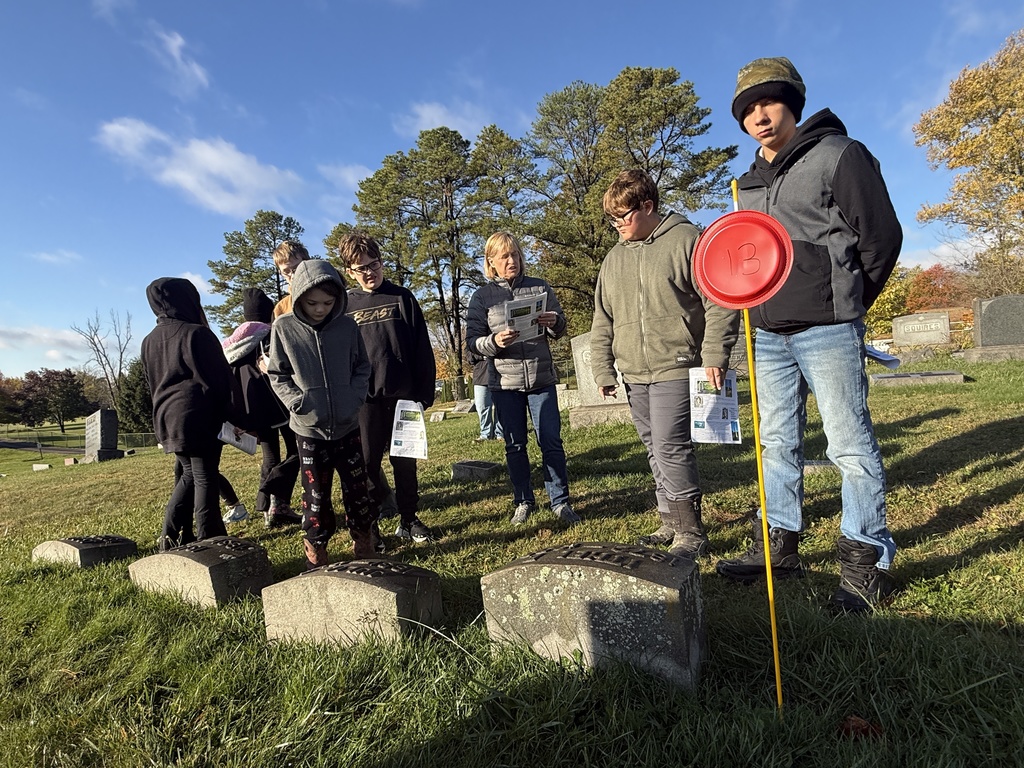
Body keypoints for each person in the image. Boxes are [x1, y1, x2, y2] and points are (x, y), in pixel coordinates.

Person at [715, 57, 902, 611]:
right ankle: (779, 547)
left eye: (768, 103)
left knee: (849, 446)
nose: (759, 117)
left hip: (828, 327)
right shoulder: (744, 184)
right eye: (748, 110)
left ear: (792, 102)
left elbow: (882, 237)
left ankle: (867, 562)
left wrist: (846, 298)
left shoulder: (838, 155)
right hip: (768, 334)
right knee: (776, 445)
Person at [591, 169, 740, 558]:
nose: (617, 225)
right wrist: (604, 369)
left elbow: (719, 301)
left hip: (677, 363)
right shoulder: (612, 260)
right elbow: (602, 318)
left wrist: (713, 355)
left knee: (671, 445)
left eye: (623, 217)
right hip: (634, 371)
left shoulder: (688, 240)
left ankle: (691, 531)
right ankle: (668, 519)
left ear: (648, 206)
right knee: (653, 445)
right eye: (612, 219)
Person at [267, 259, 382, 567]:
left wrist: (354, 397)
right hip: (308, 431)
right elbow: (277, 373)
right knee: (315, 497)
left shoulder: (347, 326)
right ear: (299, 297)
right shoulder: (283, 328)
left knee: (359, 492)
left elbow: (362, 366)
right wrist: (297, 402)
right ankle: (316, 550)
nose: (320, 309)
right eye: (312, 302)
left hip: (347, 425)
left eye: (328, 303)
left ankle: (364, 543)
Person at [466, 231, 578, 526]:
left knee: (551, 440)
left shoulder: (539, 287)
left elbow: (561, 327)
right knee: (515, 445)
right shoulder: (481, 297)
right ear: (491, 262)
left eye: (515, 254)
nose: (512, 261)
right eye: (504, 256)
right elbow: (472, 342)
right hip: (504, 383)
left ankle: (560, 502)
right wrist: (495, 341)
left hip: (541, 378)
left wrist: (555, 322)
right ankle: (523, 501)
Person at [339, 232, 439, 543]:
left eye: (375, 264)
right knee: (368, 465)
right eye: (362, 268)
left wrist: (424, 393)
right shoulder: (344, 307)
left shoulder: (402, 298)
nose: (370, 272)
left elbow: (421, 347)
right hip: (364, 402)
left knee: (405, 462)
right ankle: (371, 528)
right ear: (349, 272)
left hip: (404, 397)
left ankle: (409, 519)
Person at [142, 277, 241, 550]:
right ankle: (209, 538)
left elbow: (151, 383)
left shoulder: (149, 340)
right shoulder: (197, 333)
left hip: (167, 417)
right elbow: (220, 381)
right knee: (205, 476)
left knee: (189, 474)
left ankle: (171, 537)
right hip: (199, 415)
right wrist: (237, 418)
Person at [221, 287, 302, 528]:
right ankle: (271, 495)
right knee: (298, 450)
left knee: (271, 456)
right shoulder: (270, 334)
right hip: (280, 404)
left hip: (253, 411)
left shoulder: (233, 343)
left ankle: (270, 510)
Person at [469, 346, 503, 442]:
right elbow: (469, 357)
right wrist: (483, 354)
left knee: (500, 406)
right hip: (481, 376)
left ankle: (500, 434)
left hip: (501, 374)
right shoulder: (474, 335)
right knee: (482, 407)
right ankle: (485, 434)